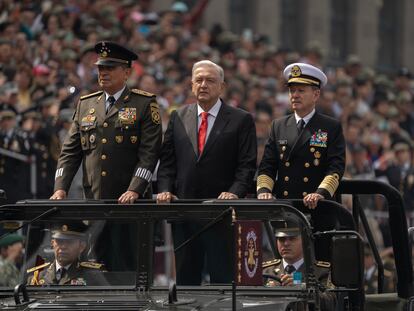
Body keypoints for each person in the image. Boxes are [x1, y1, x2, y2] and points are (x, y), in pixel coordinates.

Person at [157, 60, 257, 285]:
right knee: (185, 282)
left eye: (210, 80)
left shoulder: (241, 119)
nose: (203, 85)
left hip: (221, 214)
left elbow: (247, 166)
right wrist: (164, 190)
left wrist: (234, 193)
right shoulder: (178, 117)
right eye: (199, 80)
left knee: (223, 281)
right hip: (184, 211)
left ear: (222, 86)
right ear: (191, 85)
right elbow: (167, 163)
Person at [50, 41, 162, 203]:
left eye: (110, 68)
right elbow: (69, 152)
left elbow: (149, 154)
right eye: (101, 68)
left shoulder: (143, 104)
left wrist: (135, 188)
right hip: (93, 200)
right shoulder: (86, 104)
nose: (103, 73)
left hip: (131, 202)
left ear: (127, 73)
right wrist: (60, 188)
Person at [257, 63, 346, 209]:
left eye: (301, 91)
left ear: (316, 94)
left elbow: (335, 168)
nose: (295, 95)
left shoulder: (330, 126)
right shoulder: (278, 125)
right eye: (292, 91)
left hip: (317, 205)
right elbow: (267, 166)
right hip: (285, 206)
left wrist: (321, 193)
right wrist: (264, 191)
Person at [263, 219, 335, 310]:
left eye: (292, 238)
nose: (286, 243)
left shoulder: (322, 271)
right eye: (281, 239)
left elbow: (330, 302)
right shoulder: (265, 271)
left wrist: (302, 288)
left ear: (305, 240)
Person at [27, 221, 104, 286]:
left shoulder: (92, 276)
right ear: (52, 244)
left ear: (81, 247)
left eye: (69, 242)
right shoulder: (37, 276)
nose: (63, 247)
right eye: (59, 241)